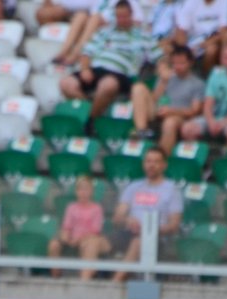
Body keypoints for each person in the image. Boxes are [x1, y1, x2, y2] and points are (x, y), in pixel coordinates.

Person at [59, 0, 162, 121]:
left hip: (121, 74)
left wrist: (163, 67)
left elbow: (159, 57)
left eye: (124, 16)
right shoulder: (104, 32)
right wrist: (85, 69)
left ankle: (91, 119)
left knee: (108, 84)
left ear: (131, 15)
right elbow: (86, 53)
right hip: (96, 69)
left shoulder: (142, 36)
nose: (121, 20)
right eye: (118, 16)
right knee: (66, 84)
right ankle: (91, 110)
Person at [111, 147, 183, 283]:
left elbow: (174, 225)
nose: (151, 165)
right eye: (148, 161)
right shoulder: (133, 187)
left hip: (157, 238)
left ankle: (113, 284)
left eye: (156, 162)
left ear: (164, 165)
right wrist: (128, 220)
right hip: (128, 233)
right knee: (93, 241)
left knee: (139, 242)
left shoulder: (172, 190)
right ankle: (84, 285)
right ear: (144, 164)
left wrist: (151, 229)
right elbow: (117, 217)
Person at [130, 45, 206, 154]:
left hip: (180, 116)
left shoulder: (198, 84)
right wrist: (163, 82)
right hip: (159, 111)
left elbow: (195, 111)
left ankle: (162, 157)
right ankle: (142, 131)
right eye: (174, 63)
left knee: (170, 122)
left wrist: (171, 111)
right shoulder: (167, 76)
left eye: (181, 63)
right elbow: (155, 99)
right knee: (138, 88)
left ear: (190, 63)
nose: (177, 66)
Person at [180, 43, 227, 146]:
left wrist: (223, 123)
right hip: (213, 117)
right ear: (221, 60)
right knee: (187, 129)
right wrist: (211, 121)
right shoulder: (215, 74)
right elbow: (208, 105)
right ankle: (197, 157)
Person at [49, 175, 111, 280]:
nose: (83, 192)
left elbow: (96, 230)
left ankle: (84, 280)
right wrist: (66, 236)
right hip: (72, 239)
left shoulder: (96, 208)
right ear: (76, 192)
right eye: (80, 189)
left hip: (89, 238)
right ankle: (56, 276)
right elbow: (66, 226)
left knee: (89, 245)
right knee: (54, 244)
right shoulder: (71, 207)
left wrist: (78, 239)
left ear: (91, 191)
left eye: (86, 189)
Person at [172, 0, 227, 73]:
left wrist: (206, 43)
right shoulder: (191, 2)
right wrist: (185, 49)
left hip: (215, 39)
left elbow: (224, 30)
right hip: (194, 40)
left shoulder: (225, 2)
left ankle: (206, 76)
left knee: (211, 50)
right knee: (172, 47)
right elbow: (181, 29)